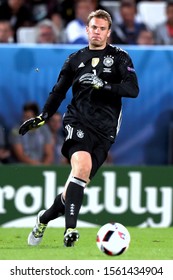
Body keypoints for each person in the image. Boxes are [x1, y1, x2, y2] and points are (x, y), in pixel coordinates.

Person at [19, 9, 139, 247]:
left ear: (108, 32)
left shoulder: (120, 57)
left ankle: (43, 219)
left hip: (106, 131)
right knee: (81, 166)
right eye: (93, 27)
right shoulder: (74, 59)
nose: (97, 32)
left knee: (74, 186)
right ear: (87, 29)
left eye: (102, 28)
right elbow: (58, 92)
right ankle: (70, 230)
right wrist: (43, 116)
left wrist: (103, 85)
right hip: (77, 121)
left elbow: (132, 90)